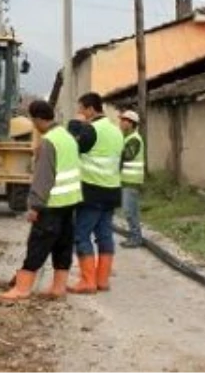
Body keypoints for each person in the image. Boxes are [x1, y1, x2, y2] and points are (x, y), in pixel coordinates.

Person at [0, 99, 89, 302]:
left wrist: (34, 206)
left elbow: (43, 178)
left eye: (33, 120)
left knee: (37, 245)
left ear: (38, 119)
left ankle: (22, 289)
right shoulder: (67, 137)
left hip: (51, 205)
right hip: (70, 202)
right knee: (62, 246)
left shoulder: (49, 142)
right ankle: (58, 288)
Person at [69, 92, 124, 294]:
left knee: (81, 234)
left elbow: (74, 149)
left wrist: (75, 127)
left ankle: (87, 281)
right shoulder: (116, 131)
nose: (79, 113)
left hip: (92, 191)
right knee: (104, 235)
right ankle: (102, 280)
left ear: (91, 109)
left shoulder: (91, 130)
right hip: (112, 191)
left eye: (81, 109)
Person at [118, 109, 145, 249]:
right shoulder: (126, 138)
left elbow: (127, 155)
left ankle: (136, 238)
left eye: (123, 120)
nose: (120, 123)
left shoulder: (134, 139)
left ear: (131, 123)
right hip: (126, 180)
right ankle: (134, 236)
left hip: (132, 181)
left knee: (130, 210)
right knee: (129, 210)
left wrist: (117, 151)